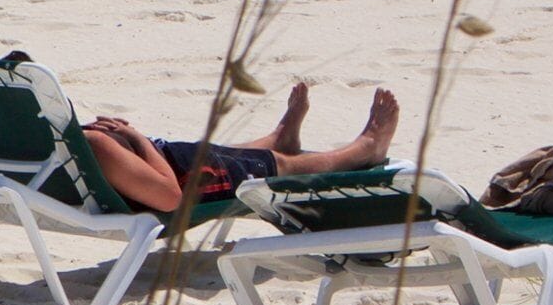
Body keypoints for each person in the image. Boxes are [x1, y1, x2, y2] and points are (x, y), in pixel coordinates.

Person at [80, 82, 399, 215]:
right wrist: (135, 138)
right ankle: (363, 151)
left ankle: (280, 139)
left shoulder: (46, 149)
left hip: (169, 160)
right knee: (275, 166)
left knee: (223, 154)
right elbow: (169, 197)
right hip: (182, 179)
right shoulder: (93, 145)